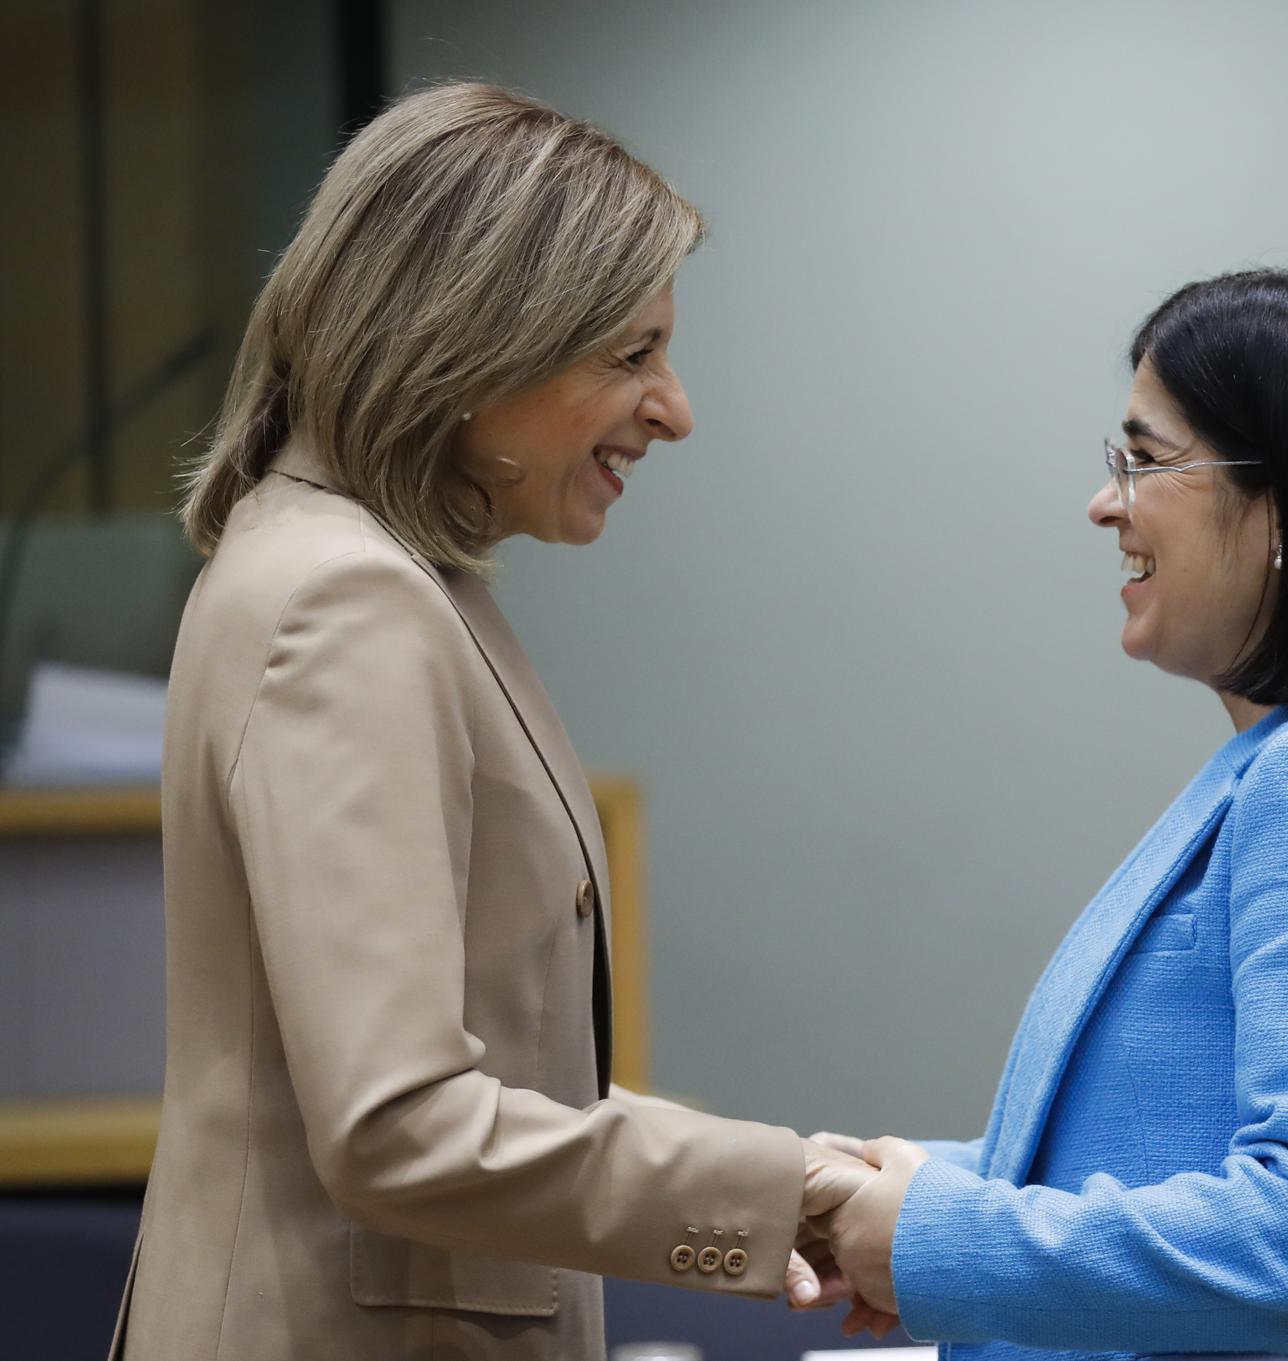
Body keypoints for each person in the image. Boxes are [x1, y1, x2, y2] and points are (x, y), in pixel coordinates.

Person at [115, 84, 871, 1361]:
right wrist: (777, 1196)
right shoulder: (344, 600)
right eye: (631, 354)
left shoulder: (354, 570)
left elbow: (476, 1077)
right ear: (472, 342)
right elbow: (400, 1122)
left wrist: (780, 1177)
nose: (674, 408)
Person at [810, 268, 1288, 1359]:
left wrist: (940, 1239)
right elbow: (1160, 1152)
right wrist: (910, 1192)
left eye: (1144, 462)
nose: (1107, 503)